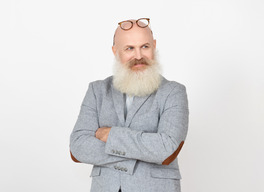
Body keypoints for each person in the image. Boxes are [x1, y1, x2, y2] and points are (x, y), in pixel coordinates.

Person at [70, 18, 189, 192]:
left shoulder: (174, 92)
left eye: (145, 46)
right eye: (129, 48)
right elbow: (78, 147)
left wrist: (111, 135)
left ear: (154, 46)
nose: (139, 56)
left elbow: (166, 149)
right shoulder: (97, 90)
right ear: (115, 51)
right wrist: (142, 154)